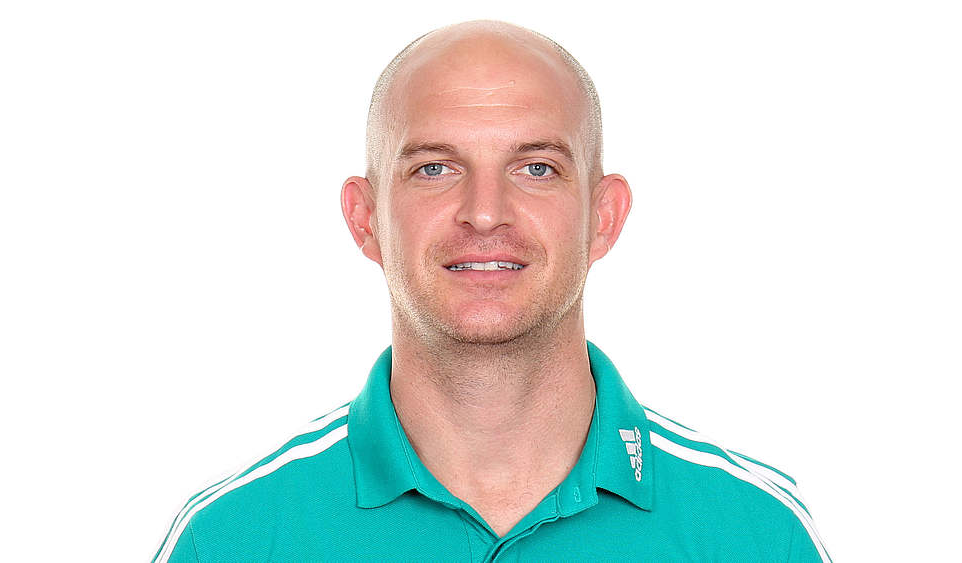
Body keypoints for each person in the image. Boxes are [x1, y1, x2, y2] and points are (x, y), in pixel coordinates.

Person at [153, 20, 830, 562]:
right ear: (366, 219)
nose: (484, 212)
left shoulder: (757, 533)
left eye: (536, 168)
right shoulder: (231, 538)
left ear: (603, 218)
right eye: (434, 168)